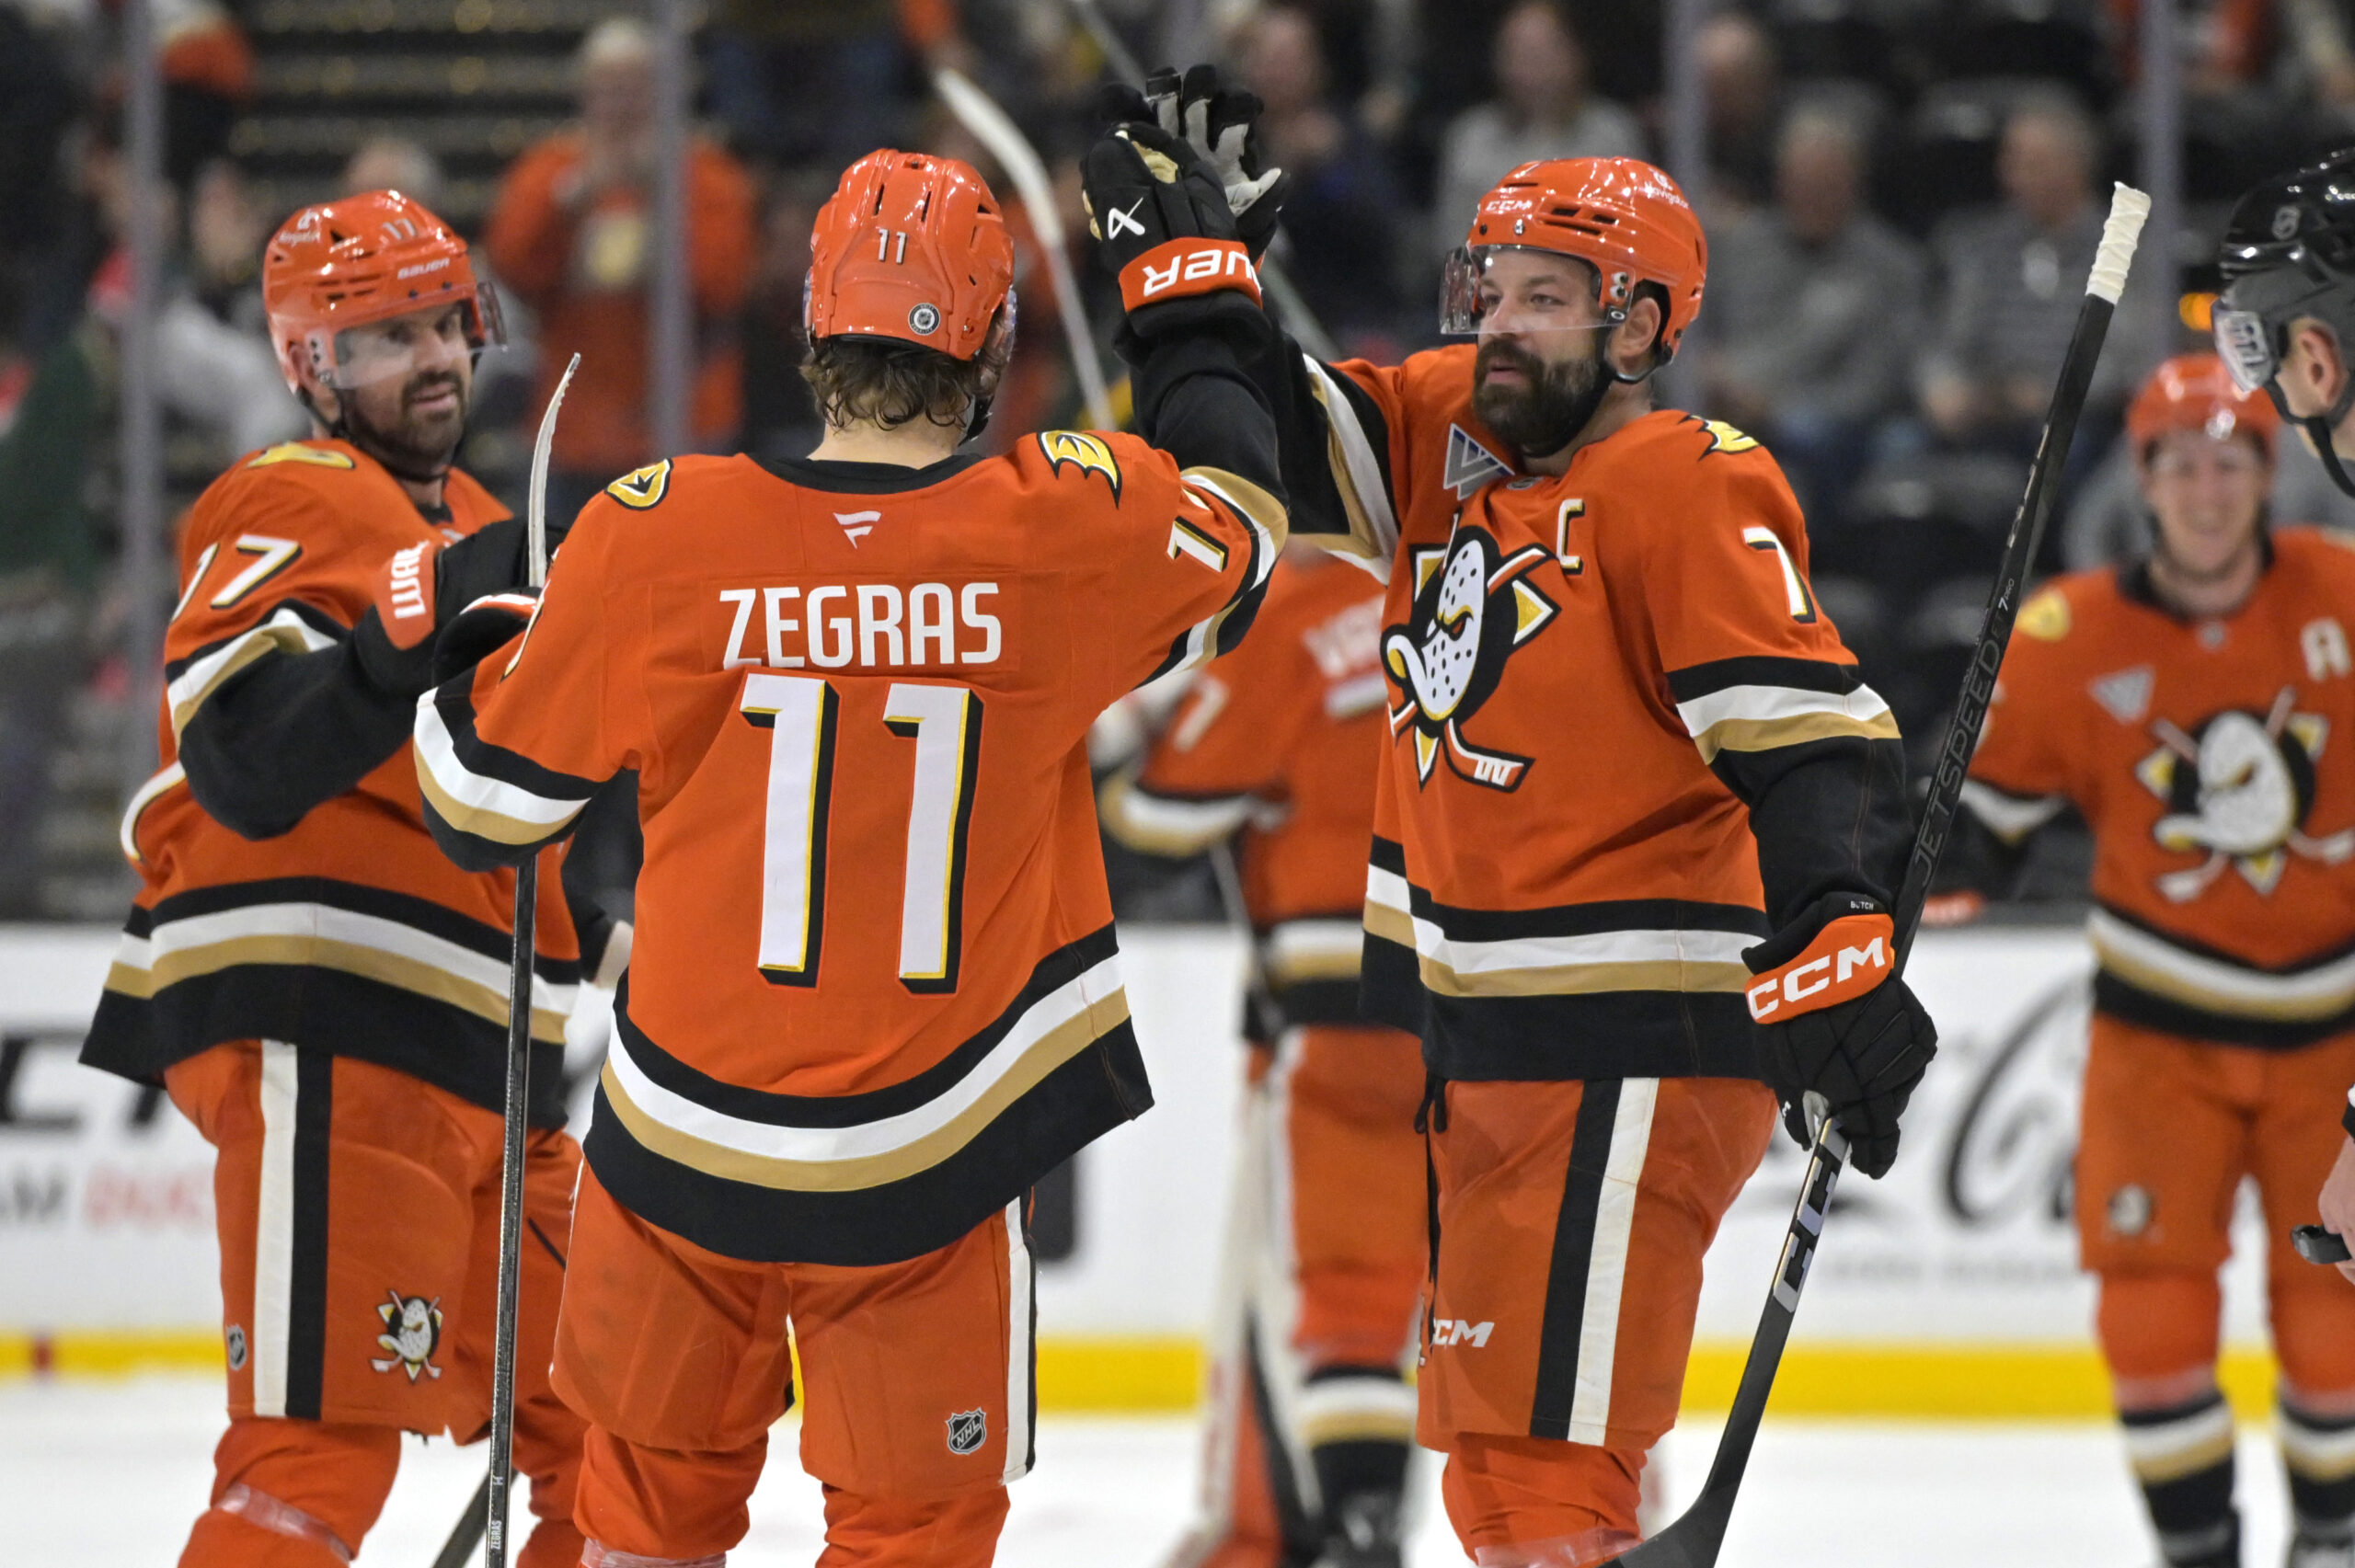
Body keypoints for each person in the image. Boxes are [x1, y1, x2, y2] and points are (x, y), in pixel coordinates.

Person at [1089, 74, 1936, 1565]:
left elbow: (1803, 737)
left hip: (1628, 1042)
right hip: (1494, 1045)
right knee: (1499, 1475)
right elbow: (1246, 461)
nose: (1496, 323)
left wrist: (1833, 932)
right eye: (1487, 287)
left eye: (1546, 296)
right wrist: (1192, 290)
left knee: (1542, 1477)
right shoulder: (1445, 438)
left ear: (1640, 326)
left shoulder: (1685, 478)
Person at [409, 142, 1288, 1567]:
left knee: (639, 1536)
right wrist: (1193, 294)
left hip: (681, 1148)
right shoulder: (1064, 528)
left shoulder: (658, 532)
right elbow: (1244, 521)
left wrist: (497, 638)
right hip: (930, 1157)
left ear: (811, 327)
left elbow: (480, 805)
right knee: (913, 1540)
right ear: (997, 342)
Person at [76, 191, 619, 1568]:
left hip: (491, 1067)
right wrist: (413, 624)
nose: (436, 356)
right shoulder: (290, 495)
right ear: (310, 366)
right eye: (386, 336)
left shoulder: (502, 532)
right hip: (329, 1016)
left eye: (447, 322)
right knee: (310, 1464)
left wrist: (609, 938)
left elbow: (518, 823)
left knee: (628, 1434)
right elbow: (246, 754)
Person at [1936, 354, 2355, 1568]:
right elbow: (1987, 844)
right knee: (2151, 1318)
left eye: (2232, 462)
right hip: (2158, 1038)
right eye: (2182, 465)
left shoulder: (2342, 596)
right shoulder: (2068, 635)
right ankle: (2200, 1554)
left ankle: (2329, 1542)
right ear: (2146, 480)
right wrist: (1926, 829)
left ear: (2267, 477)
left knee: (2337, 1328)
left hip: (2334, 1039)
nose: (2208, 490)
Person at [1100, 546, 1426, 1568]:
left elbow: (1157, 818)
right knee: (1524, 1305)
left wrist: (1127, 729)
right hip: (1502, 1023)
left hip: (1332, 1021)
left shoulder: (1295, 616)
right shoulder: (1491, 590)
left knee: (1334, 1288)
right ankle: (1591, 1530)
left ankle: (1321, 1527)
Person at [484, 17, 758, 525]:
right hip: (577, 425)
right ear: (584, 93)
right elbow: (513, 270)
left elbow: (725, 285)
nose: (622, 106)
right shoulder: (550, 172)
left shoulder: (706, 174)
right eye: (608, 90)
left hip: (685, 418)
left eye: (636, 89)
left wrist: (664, 196)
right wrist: (572, 199)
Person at [1701, 99, 1925, 519]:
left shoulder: (1892, 265)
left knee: (1822, 437)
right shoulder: (1743, 249)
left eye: (1826, 183)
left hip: (1842, 430)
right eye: (1800, 182)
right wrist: (1709, 372)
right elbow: (1697, 338)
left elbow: (1880, 382)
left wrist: (1774, 408)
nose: (1811, 197)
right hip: (1731, 411)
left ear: (1853, 183)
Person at [1918, 91, 2154, 452]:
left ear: (2076, 165)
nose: (2016, 176)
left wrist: (2049, 395)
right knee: (1903, 444)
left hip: (2080, 422)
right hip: (1988, 412)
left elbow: (2125, 361)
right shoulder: (1978, 247)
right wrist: (1946, 387)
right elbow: (1949, 343)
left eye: (2034, 162)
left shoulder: (2122, 246)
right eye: (2012, 161)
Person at [1431, 0, 1646, 260]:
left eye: (1544, 55)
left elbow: (1634, 238)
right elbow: (1453, 245)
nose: (1533, 71)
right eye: (1520, 56)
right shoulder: (1470, 139)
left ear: (1577, 56)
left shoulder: (1612, 134)